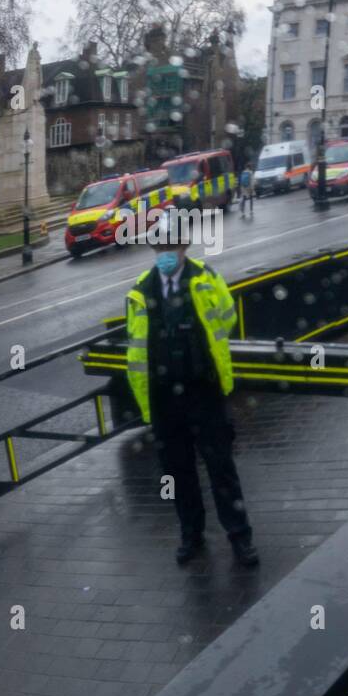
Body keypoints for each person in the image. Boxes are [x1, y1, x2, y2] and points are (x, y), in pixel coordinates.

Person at [125, 207, 259, 566]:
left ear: (185, 246)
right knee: (179, 472)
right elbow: (137, 345)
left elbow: (227, 317)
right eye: (160, 247)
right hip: (164, 396)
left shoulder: (205, 278)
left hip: (203, 390)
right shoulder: (141, 290)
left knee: (221, 468)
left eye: (172, 246)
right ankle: (191, 535)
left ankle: (239, 537)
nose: (166, 253)